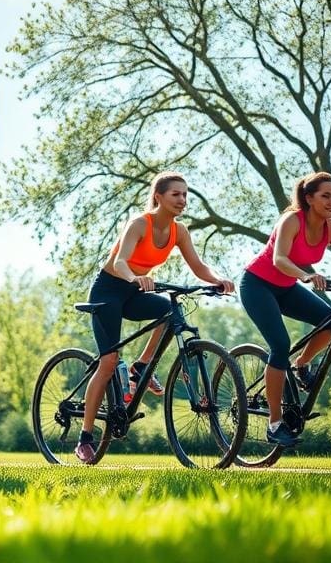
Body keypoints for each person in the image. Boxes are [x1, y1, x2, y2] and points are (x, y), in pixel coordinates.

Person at [75, 172, 234, 464]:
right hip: (109, 290)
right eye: (176, 194)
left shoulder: (179, 231)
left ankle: (142, 366)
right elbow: (121, 260)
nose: (182, 200)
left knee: (168, 310)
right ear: (158, 196)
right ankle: (86, 437)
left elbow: (198, 266)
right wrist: (135, 278)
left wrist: (217, 280)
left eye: (185, 195)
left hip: (136, 289)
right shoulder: (139, 223)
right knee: (108, 362)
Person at [240, 171, 331, 447]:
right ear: (309, 198)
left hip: (286, 287)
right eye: (326, 196)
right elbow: (279, 258)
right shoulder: (292, 220)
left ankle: (301, 366)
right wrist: (306, 276)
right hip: (257, 285)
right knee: (280, 345)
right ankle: (275, 424)